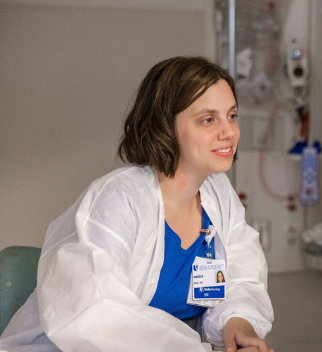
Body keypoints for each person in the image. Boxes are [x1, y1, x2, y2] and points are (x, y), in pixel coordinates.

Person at [0, 57, 274, 352]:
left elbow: (242, 276)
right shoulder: (119, 200)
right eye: (208, 119)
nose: (229, 132)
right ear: (165, 127)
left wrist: (237, 323)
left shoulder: (219, 195)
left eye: (231, 115)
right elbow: (96, 314)